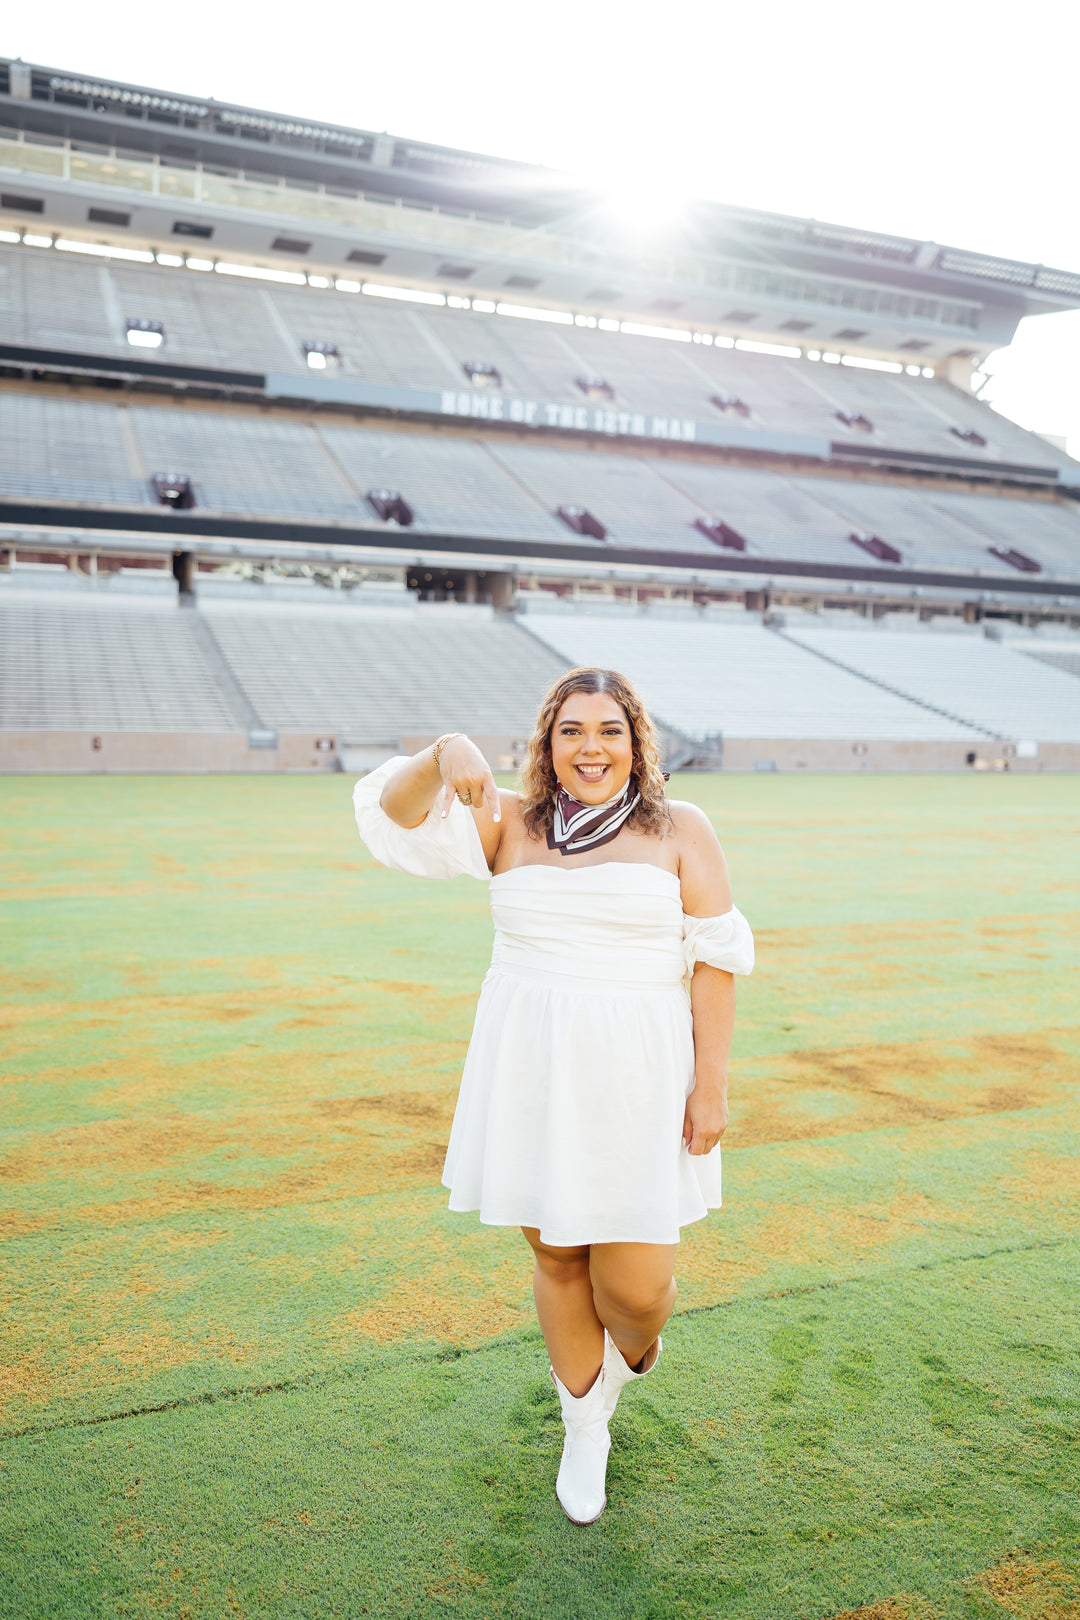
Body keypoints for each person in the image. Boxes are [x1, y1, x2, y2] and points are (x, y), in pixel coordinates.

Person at [353, 666, 753, 1525]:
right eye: (572, 730)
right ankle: (584, 1427)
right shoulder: (508, 821)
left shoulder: (683, 829)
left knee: (640, 1294)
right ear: (548, 742)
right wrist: (442, 751)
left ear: (636, 740)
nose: (591, 747)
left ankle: (617, 1368)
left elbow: (716, 957)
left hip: (644, 1077)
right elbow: (393, 812)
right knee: (559, 1258)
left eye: (608, 730)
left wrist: (711, 1086)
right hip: (531, 1068)